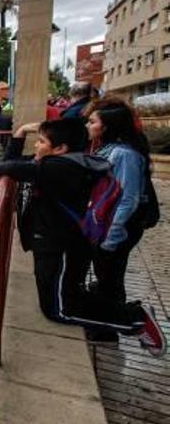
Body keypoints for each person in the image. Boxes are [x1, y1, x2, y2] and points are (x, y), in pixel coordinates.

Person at [0, 118, 165, 356]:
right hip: (57, 245)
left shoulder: (61, 168)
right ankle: (130, 314)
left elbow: (10, 167)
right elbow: (12, 163)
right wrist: (21, 132)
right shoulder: (59, 164)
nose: (36, 146)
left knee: (60, 309)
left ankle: (135, 320)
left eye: (41, 141)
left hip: (63, 247)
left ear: (60, 149)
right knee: (63, 295)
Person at [85, 98, 159, 344]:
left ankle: (127, 321)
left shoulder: (124, 155)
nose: (88, 124)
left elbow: (128, 199)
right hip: (105, 226)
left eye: (93, 121)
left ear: (106, 127)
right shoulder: (106, 149)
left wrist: (112, 237)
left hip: (116, 229)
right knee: (108, 278)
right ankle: (107, 326)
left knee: (110, 280)